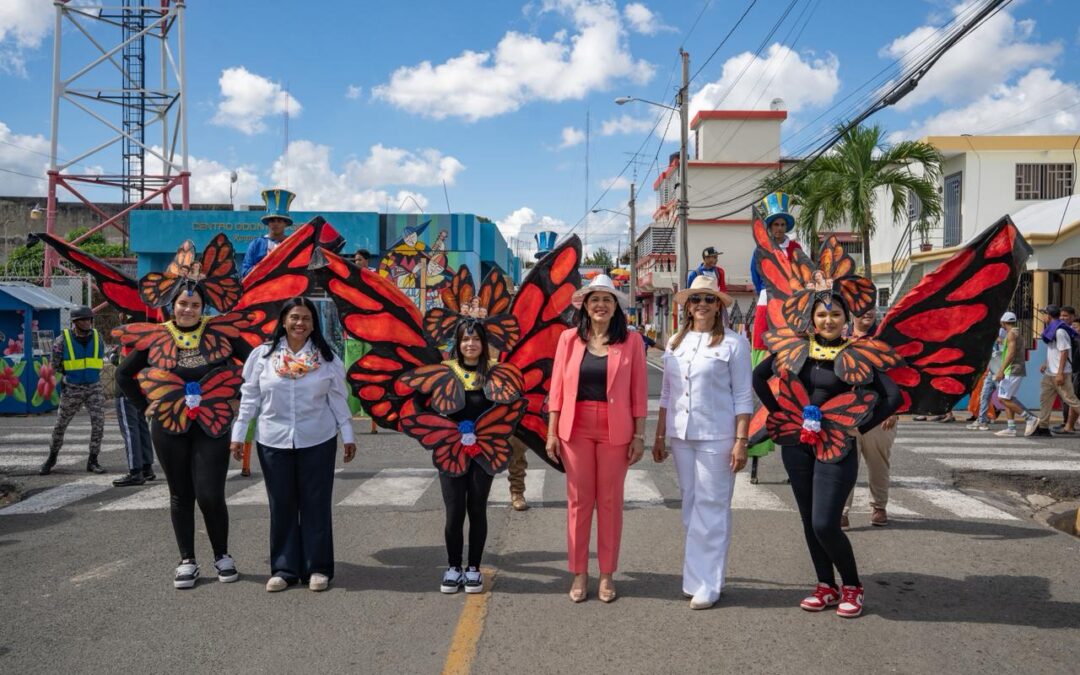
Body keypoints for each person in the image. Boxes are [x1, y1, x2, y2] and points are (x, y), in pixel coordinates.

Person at [115, 239, 252, 589]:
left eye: (194, 304)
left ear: (203, 307)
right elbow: (123, 375)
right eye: (183, 303)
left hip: (213, 425)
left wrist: (236, 400)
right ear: (172, 306)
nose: (188, 309)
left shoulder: (220, 333)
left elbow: (254, 364)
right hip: (169, 424)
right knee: (180, 494)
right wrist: (147, 406)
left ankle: (222, 554)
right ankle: (186, 560)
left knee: (210, 493)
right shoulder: (156, 337)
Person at [230, 297, 356, 593]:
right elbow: (250, 398)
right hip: (273, 440)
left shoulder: (327, 359)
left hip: (318, 439)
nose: (300, 324)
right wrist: (238, 434)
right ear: (284, 321)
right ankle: (285, 568)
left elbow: (338, 398)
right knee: (282, 504)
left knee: (316, 504)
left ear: (314, 325)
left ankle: (318, 567)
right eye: (295, 318)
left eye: (306, 319)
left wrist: (348, 434)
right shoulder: (263, 357)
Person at [652, 275, 752, 609]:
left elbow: (742, 397)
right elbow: (667, 392)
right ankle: (695, 578)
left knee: (712, 507)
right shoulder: (675, 343)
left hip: (718, 435)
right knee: (691, 506)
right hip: (682, 435)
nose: (702, 306)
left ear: (719, 306)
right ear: (688, 306)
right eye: (696, 299)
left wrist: (741, 440)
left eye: (709, 300)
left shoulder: (734, 344)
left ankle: (710, 582)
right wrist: (660, 434)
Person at [547, 274, 647, 603]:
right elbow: (557, 389)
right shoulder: (568, 340)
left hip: (615, 428)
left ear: (615, 306)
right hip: (575, 427)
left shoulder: (631, 341)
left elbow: (639, 392)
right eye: (595, 300)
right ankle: (579, 573)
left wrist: (639, 434)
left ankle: (606, 574)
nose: (601, 305)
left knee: (610, 502)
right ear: (585, 307)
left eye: (607, 299)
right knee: (578, 502)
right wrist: (552, 431)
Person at [747, 191, 803, 482]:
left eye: (782, 224)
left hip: (792, 313)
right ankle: (754, 457)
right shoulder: (760, 250)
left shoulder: (796, 249)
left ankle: (794, 456)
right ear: (767, 228)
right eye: (774, 225)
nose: (778, 229)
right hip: (767, 309)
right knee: (762, 378)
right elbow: (758, 281)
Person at [841, 308, 898, 528]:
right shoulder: (841, 340)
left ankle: (879, 507)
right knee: (845, 465)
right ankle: (842, 511)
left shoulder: (885, 340)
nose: (868, 312)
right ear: (851, 314)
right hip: (848, 414)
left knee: (878, 464)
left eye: (871, 307)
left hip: (880, 414)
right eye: (861, 308)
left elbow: (899, 375)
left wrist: (893, 410)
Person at [39, 306, 107, 476]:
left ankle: (93, 460)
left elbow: (100, 357)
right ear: (75, 322)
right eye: (83, 320)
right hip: (72, 388)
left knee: (98, 423)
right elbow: (55, 363)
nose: (87, 322)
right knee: (60, 425)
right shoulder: (62, 340)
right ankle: (52, 457)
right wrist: (70, 375)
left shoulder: (98, 337)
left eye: (89, 319)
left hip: (94, 387)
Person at [1028, 304, 1080, 436]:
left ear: (1049, 316)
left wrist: (1060, 373)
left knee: (1071, 400)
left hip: (1059, 373)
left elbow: (1064, 352)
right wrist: (1046, 363)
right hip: (1050, 373)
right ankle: (1044, 427)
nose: (1043, 316)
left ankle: (1045, 426)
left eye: (1044, 314)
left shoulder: (1060, 331)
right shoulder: (1052, 329)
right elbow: (1054, 351)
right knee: (1045, 399)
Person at [111, 341, 155, 487]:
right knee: (141, 427)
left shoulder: (130, 331)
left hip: (127, 386)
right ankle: (147, 467)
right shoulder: (145, 331)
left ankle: (135, 471)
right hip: (142, 385)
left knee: (130, 430)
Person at [993, 312, 1036, 438]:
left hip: (1011, 370)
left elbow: (1010, 354)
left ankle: (1030, 418)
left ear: (1003, 322)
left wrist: (1001, 370)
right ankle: (1011, 428)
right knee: (1008, 398)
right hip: (1014, 369)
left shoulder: (1011, 334)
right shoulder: (1016, 333)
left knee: (1003, 398)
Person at [241, 188, 295, 277]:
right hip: (262, 290)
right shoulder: (256, 244)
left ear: (285, 223)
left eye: (279, 220)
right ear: (268, 223)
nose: (276, 223)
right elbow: (245, 272)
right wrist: (264, 266)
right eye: (272, 220)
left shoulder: (292, 244)